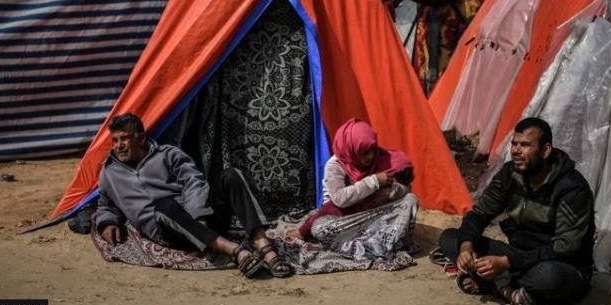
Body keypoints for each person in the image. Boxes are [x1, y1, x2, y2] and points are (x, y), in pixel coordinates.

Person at [95, 113, 293, 278]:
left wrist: (198, 213)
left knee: (231, 175)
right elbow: (105, 203)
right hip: (169, 232)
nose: (119, 145)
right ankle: (235, 251)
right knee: (163, 205)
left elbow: (193, 180)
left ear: (141, 138)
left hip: (202, 220)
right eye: (115, 140)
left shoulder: (168, 154)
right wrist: (107, 223)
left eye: (125, 138)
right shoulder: (109, 172)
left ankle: (264, 246)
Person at [439, 117, 595, 305]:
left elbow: (564, 248)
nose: (516, 151)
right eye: (514, 144)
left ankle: (499, 286)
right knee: (450, 238)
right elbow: (479, 213)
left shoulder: (571, 188)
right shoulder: (510, 174)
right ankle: (512, 291)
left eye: (525, 145)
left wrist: (506, 263)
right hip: (517, 255)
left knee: (549, 277)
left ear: (546, 150)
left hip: (558, 263)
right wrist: (466, 247)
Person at [289, 118, 419, 260]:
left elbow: (407, 188)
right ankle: (375, 245)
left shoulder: (383, 159)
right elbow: (339, 200)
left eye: (372, 149)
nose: (371, 156)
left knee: (411, 200)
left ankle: (372, 245)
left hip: (379, 218)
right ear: (351, 150)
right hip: (347, 219)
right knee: (320, 229)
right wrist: (374, 182)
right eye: (364, 153)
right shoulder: (335, 165)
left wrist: (390, 192)